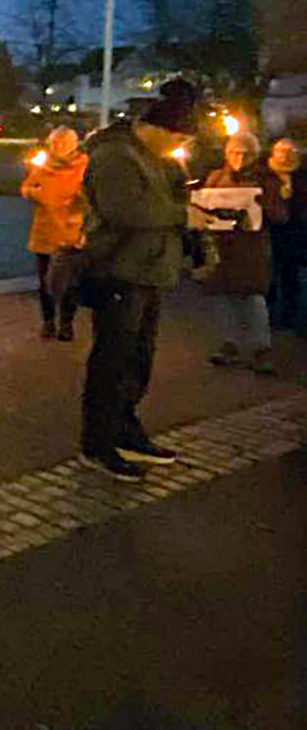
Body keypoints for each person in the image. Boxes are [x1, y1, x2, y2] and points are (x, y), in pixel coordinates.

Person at [78, 86, 199, 481]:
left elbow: (164, 202)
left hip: (147, 270)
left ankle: (125, 430)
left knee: (137, 359)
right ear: (154, 129)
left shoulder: (152, 157)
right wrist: (184, 215)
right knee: (112, 359)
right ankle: (98, 443)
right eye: (178, 138)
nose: (180, 146)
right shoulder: (115, 155)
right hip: (119, 270)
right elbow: (127, 209)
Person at [201, 132, 284, 374]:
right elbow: (204, 206)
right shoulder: (216, 177)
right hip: (222, 247)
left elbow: (279, 215)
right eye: (235, 152)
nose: (240, 157)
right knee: (223, 297)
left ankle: (261, 348)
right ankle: (229, 344)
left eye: (246, 153)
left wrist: (262, 202)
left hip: (252, 248)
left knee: (252, 298)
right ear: (227, 154)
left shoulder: (265, 179)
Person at [21, 127, 88, 341]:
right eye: (54, 143)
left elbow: (90, 197)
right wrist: (35, 194)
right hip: (45, 231)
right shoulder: (43, 165)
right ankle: (48, 322)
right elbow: (26, 187)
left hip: (70, 233)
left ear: (74, 144)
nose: (57, 147)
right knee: (45, 283)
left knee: (70, 284)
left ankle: (66, 323)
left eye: (62, 142)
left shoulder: (84, 167)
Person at [265, 138, 306, 333]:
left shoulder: (300, 176)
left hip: (294, 230)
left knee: (290, 274)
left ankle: (289, 317)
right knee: (269, 272)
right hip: (269, 228)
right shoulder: (266, 174)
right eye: (281, 150)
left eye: (289, 151)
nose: (285, 155)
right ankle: (268, 315)